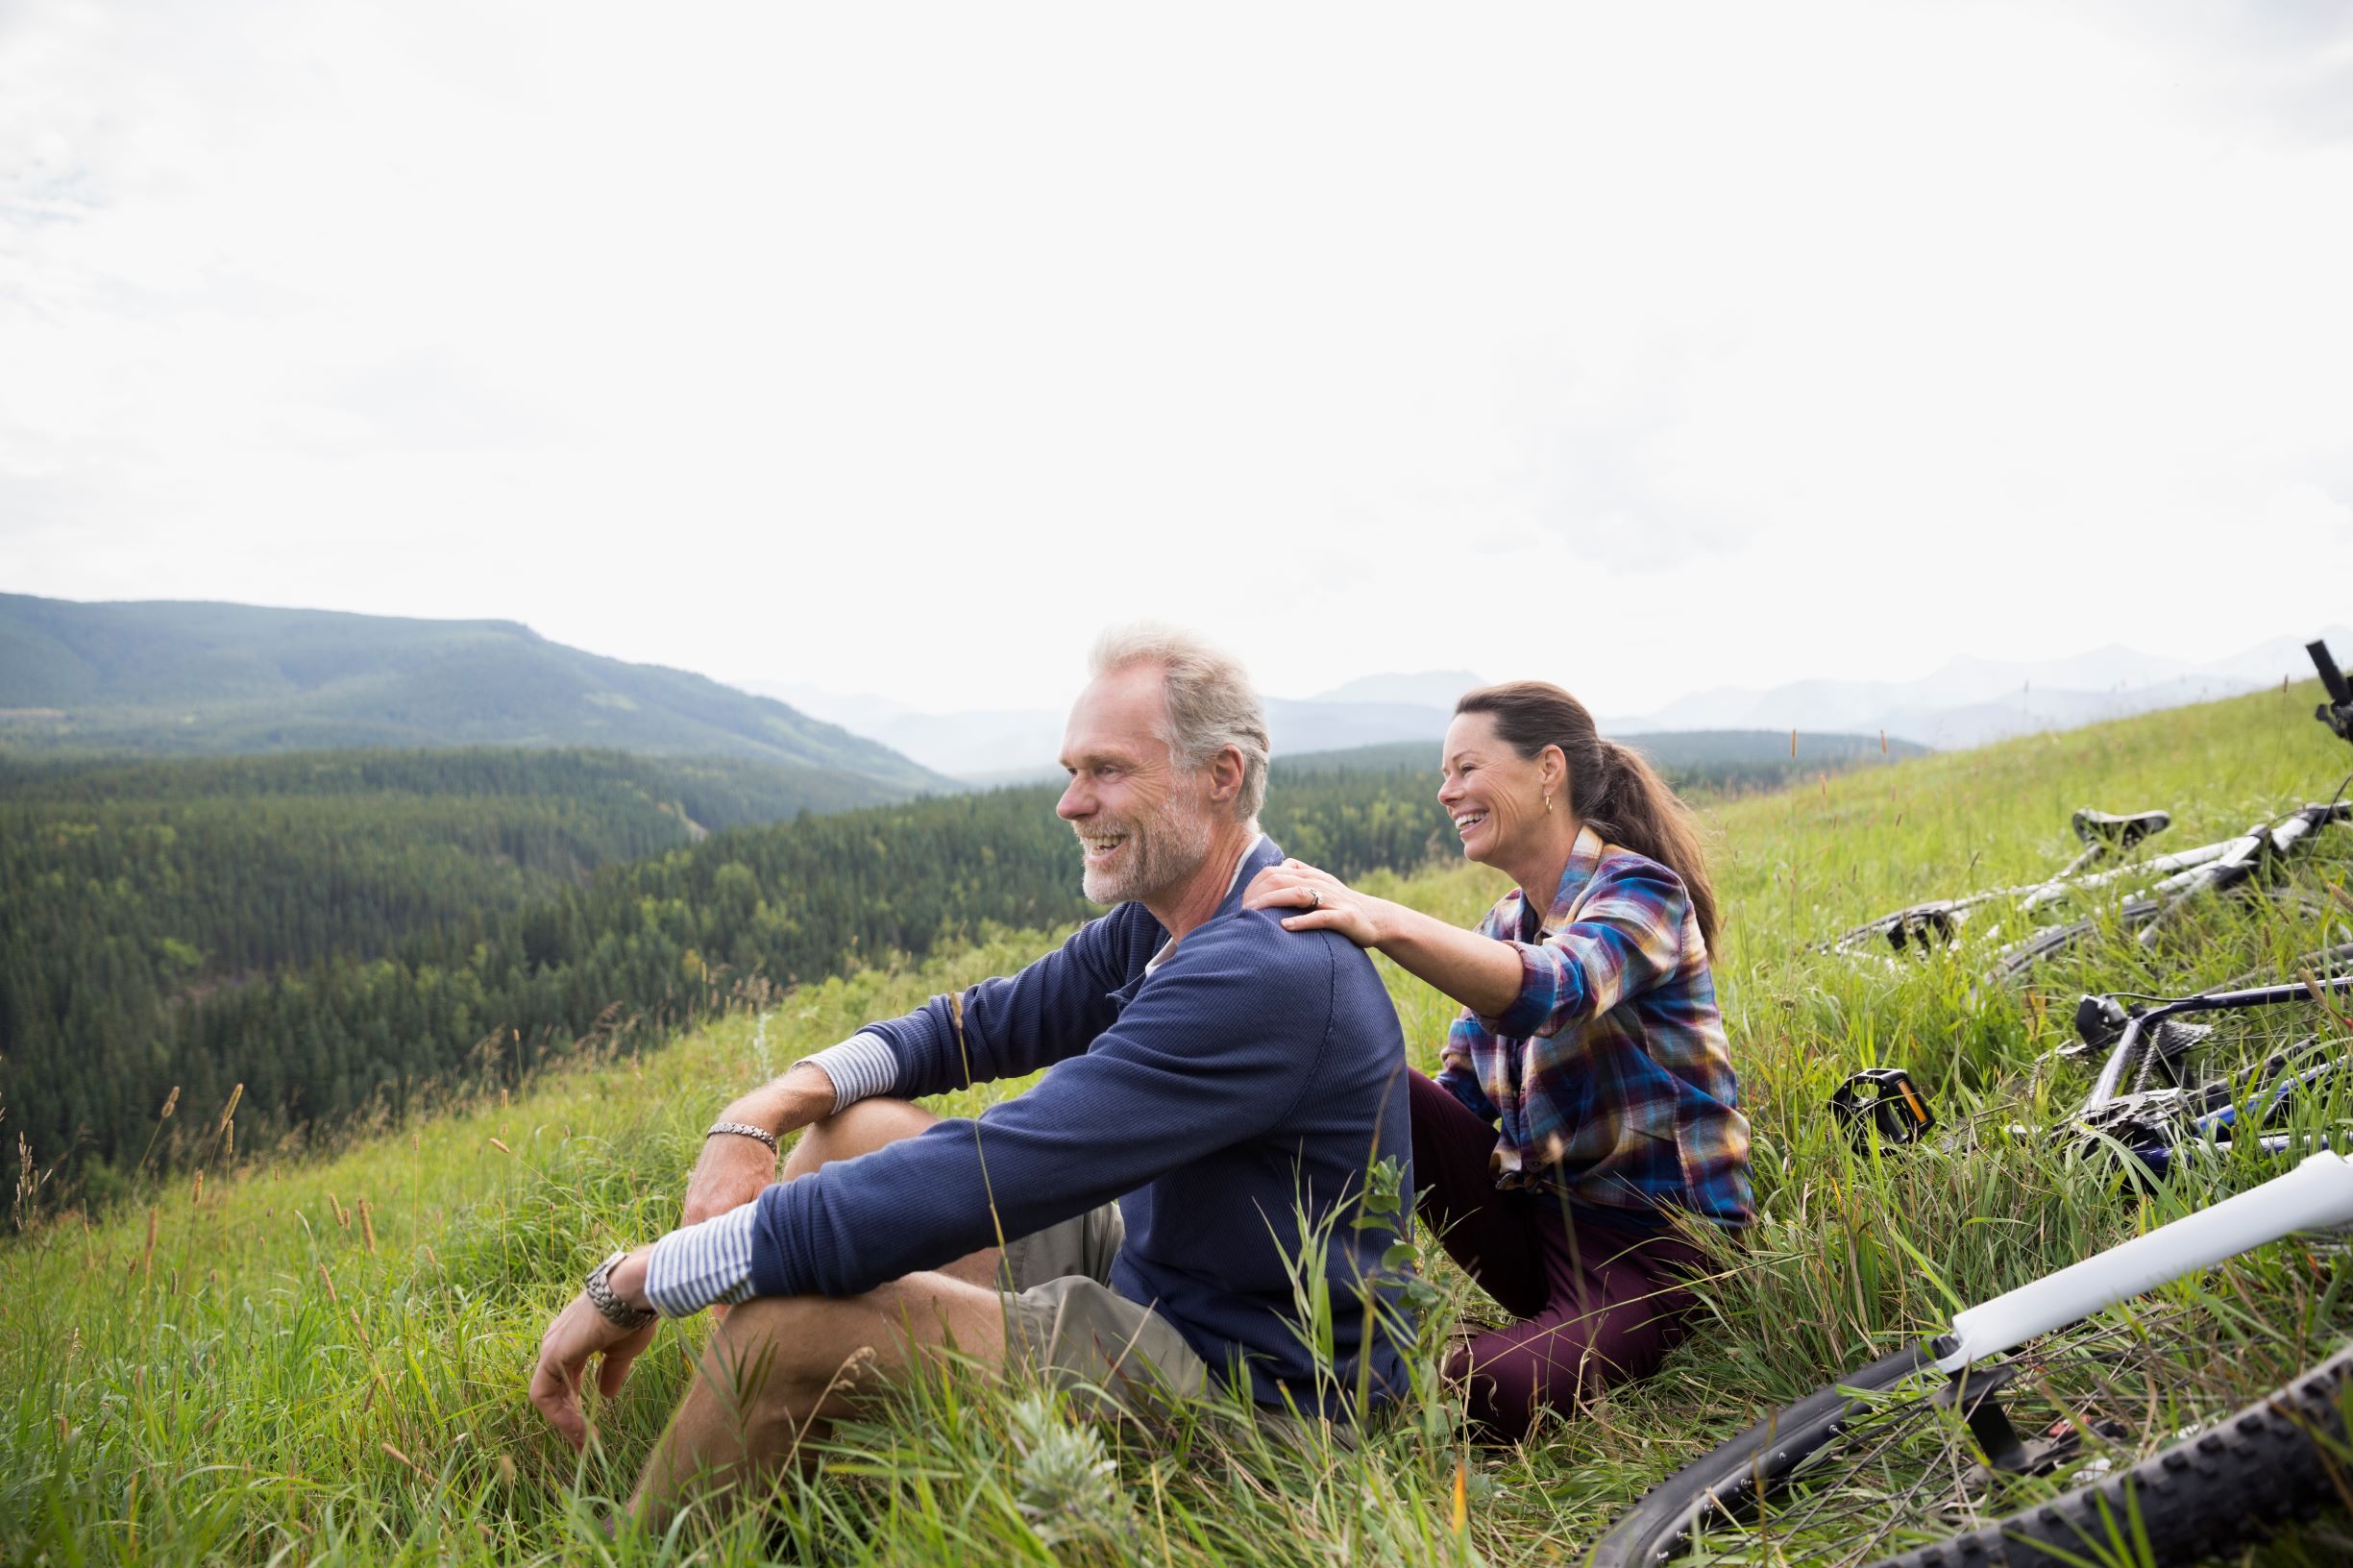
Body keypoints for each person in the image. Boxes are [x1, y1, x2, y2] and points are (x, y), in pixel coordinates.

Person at [528, 625, 1414, 1521]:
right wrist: (760, 1109)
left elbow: (991, 1171)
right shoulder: (1177, 914)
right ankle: (781, 1461)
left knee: (788, 1329)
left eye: (1106, 770)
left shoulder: (1260, 972)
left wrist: (647, 1277)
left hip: (1260, 1394)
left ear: (1220, 775)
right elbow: (972, 1027)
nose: (1070, 803)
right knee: (853, 1129)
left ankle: (655, 1532)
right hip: (1168, 1274)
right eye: (1071, 770)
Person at [1242, 680, 1752, 1439]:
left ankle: (1442, 1369)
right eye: (1445, 774)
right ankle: (1276, 1309)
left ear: (1548, 769)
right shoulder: (1507, 919)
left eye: (1465, 769)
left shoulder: (1641, 890)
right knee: (1372, 1092)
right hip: (1538, 1232)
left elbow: (1556, 990)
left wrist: (1380, 918)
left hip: (1658, 1251)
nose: (1446, 793)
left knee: (1481, 1391)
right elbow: (1457, 1102)